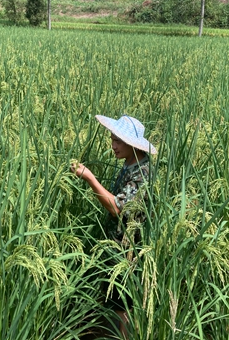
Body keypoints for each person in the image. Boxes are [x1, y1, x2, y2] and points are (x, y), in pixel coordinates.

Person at [70, 114, 157, 338]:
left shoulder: (141, 173)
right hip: (117, 243)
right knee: (117, 299)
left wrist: (89, 178)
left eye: (118, 141)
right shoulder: (130, 163)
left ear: (131, 144)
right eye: (112, 139)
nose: (113, 146)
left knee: (124, 302)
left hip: (130, 248)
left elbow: (117, 208)